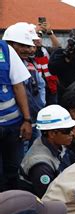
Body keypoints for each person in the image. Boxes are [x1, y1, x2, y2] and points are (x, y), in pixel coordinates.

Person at [19, 105, 75, 197]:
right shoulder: (41, 166)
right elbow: (50, 198)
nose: (72, 133)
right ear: (52, 134)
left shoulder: (57, 144)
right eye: (67, 130)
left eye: (71, 129)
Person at [0, 25, 33, 191]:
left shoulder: (5, 50)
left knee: (15, 171)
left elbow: (18, 85)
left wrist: (27, 119)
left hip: (13, 126)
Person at [5, 23, 46, 147]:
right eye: (23, 46)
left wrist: (40, 105)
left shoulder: (29, 64)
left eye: (30, 46)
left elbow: (41, 85)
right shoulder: (5, 68)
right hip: (17, 122)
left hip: (34, 119)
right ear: (9, 45)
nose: (29, 50)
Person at [34, 20, 60, 105]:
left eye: (40, 37)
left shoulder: (46, 50)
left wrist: (50, 33)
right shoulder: (27, 52)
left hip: (51, 86)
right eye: (35, 37)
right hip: (36, 88)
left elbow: (58, 48)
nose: (38, 39)